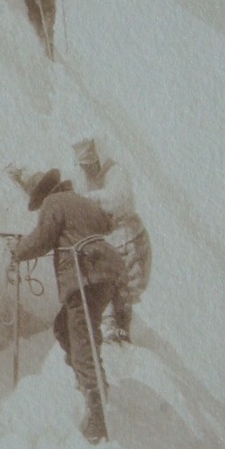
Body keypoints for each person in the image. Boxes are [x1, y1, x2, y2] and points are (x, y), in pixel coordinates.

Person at [11, 168, 125, 442]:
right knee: (65, 327)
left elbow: (42, 239)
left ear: (43, 194)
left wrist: (18, 252)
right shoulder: (81, 201)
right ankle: (87, 377)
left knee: (81, 335)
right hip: (106, 270)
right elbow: (106, 224)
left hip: (83, 271)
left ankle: (95, 405)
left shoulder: (54, 204)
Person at [72, 138, 152, 341]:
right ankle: (109, 328)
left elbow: (116, 199)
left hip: (128, 239)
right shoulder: (83, 179)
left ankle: (122, 332)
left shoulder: (116, 173)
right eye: (84, 164)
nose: (88, 168)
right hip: (106, 243)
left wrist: (89, 202)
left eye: (90, 163)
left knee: (125, 289)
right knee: (105, 286)